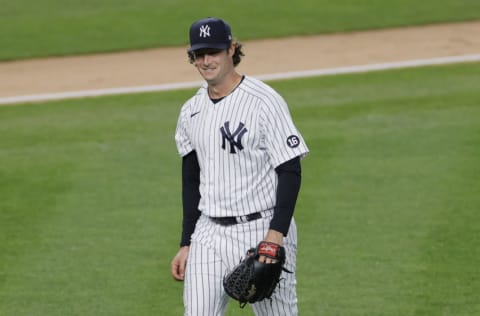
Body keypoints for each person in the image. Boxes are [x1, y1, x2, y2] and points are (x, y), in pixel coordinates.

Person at [170, 17, 309, 316]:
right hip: (209, 233)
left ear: (232, 49)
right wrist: (187, 242)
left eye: (214, 52)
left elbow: (290, 168)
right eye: (200, 54)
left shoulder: (264, 102)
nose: (207, 61)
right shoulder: (190, 111)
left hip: (262, 229)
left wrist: (276, 234)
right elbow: (191, 180)